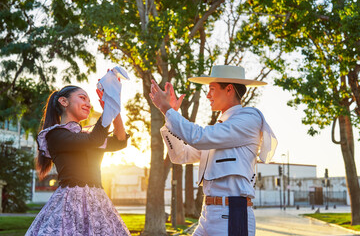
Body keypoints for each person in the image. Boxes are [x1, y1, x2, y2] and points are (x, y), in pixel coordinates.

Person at [149, 65, 277, 236]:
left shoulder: (249, 118)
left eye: (212, 89)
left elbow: (199, 137)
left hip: (233, 214)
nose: (208, 95)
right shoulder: (219, 129)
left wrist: (168, 110)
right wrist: (169, 114)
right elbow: (181, 155)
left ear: (229, 89)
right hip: (208, 214)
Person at [26, 84, 131, 236]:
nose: (88, 104)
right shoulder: (55, 135)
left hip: (98, 201)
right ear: (64, 101)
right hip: (70, 202)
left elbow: (120, 141)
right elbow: (94, 139)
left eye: (89, 100)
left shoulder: (86, 136)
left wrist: (114, 108)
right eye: (82, 98)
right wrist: (109, 107)